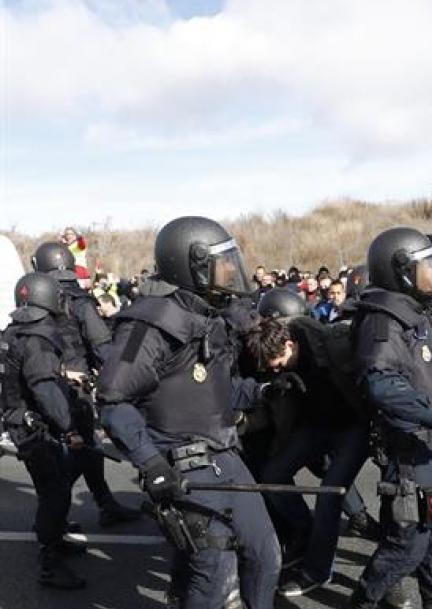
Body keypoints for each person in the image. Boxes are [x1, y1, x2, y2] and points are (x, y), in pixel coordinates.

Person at [96, 216, 283, 609]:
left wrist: (264, 392)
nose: (232, 270)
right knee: (214, 567)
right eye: (223, 262)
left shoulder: (212, 318)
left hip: (226, 454)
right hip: (182, 463)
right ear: (194, 266)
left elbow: (217, 394)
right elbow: (112, 399)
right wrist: (151, 463)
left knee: (265, 553)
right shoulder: (145, 327)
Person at [348, 184, 432, 609]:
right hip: (413, 446)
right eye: (426, 268)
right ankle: (364, 600)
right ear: (402, 272)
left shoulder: (417, 306)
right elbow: (382, 384)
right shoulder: (383, 321)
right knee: (408, 542)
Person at [244, 315, 371, 597]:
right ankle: (304, 534)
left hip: (352, 427)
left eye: (277, 362)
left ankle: (317, 571)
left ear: (290, 345)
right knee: (272, 475)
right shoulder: (280, 358)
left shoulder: (330, 347)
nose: (274, 369)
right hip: (315, 426)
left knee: (329, 495)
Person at [29, 241, 143, 527]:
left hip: (44, 386)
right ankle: (52, 518)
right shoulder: (79, 302)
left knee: (86, 449)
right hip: (75, 389)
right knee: (79, 453)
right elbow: (102, 346)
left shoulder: (35, 302)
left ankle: (102, 504)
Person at [1, 273, 93, 589]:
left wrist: (63, 375)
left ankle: (54, 537)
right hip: (36, 428)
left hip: (23, 423)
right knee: (55, 491)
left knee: (52, 486)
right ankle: (49, 562)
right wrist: (69, 428)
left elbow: (29, 374)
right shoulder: (38, 340)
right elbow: (44, 390)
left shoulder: (14, 331)